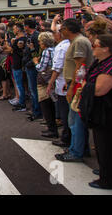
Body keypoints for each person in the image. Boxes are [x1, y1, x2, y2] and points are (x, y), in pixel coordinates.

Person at [80, 34, 112, 189]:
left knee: (106, 146)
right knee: (104, 145)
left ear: (106, 48)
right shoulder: (105, 62)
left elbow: (100, 90)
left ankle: (107, 180)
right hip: (103, 112)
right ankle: (109, 171)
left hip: (109, 114)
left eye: (95, 45)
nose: (92, 47)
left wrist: (83, 85)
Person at [55, 19, 94, 162]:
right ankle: (81, 148)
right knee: (76, 120)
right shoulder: (77, 41)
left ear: (67, 29)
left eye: (61, 29)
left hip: (79, 85)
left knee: (75, 121)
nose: (60, 32)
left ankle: (76, 151)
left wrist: (72, 87)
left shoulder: (78, 42)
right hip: (75, 83)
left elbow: (80, 66)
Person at [47, 20, 71, 148]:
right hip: (65, 84)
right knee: (66, 113)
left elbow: (57, 68)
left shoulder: (62, 47)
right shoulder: (67, 44)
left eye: (55, 33)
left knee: (65, 113)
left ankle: (66, 139)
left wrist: (50, 84)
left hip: (63, 84)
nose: (53, 36)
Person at [33, 32, 57, 138]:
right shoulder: (55, 49)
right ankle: (52, 127)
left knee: (45, 103)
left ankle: (51, 129)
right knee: (51, 104)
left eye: (40, 41)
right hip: (51, 79)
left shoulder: (46, 51)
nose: (39, 43)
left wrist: (35, 62)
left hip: (45, 79)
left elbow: (41, 67)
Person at [23, 18, 42, 121]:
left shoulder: (36, 36)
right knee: (32, 89)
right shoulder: (31, 36)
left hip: (32, 66)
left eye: (24, 26)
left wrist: (29, 63)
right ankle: (35, 109)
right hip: (29, 65)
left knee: (34, 90)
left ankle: (37, 111)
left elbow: (38, 53)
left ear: (27, 26)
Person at [7, 22, 28, 111]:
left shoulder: (19, 40)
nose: (13, 30)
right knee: (19, 84)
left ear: (18, 29)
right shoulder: (23, 39)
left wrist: (8, 43)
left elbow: (11, 50)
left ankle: (21, 103)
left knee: (19, 85)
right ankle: (20, 101)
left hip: (18, 64)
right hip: (18, 63)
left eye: (15, 28)